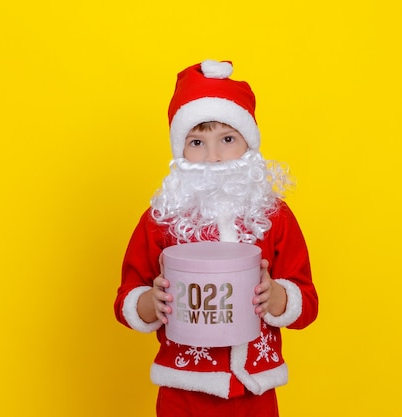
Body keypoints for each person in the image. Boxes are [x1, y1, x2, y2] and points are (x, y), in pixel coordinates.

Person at [114, 60, 319, 417]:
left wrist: (278, 296)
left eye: (227, 139)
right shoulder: (163, 217)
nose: (213, 157)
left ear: (248, 144)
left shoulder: (273, 215)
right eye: (197, 142)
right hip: (184, 388)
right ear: (180, 150)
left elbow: (308, 302)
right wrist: (151, 302)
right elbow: (127, 295)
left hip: (254, 388)